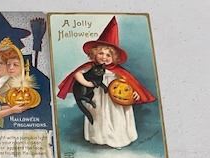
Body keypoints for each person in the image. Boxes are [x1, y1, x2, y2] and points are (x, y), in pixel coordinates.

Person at [56, 16, 156, 149]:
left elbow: (127, 84)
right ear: (94, 54)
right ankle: (98, 138)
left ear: (114, 58)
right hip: (97, 96)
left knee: (116, 116)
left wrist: (134, 92)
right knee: (98, 114)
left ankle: (117, 139)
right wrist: (88, 84)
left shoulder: (119, 71)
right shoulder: (91, 66)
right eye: (101, 53)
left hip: (115, 98)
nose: (104, 57)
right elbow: (77, 74)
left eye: (108, 55)